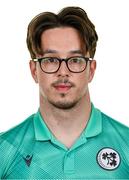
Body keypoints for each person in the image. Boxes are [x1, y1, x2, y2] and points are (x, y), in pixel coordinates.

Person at [0, 6, 129, 179]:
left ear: (91, 70)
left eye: (75, 60)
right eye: (51, 60)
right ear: (34, 70)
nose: (63, 72)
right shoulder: (5, 149)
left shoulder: (126, 144)